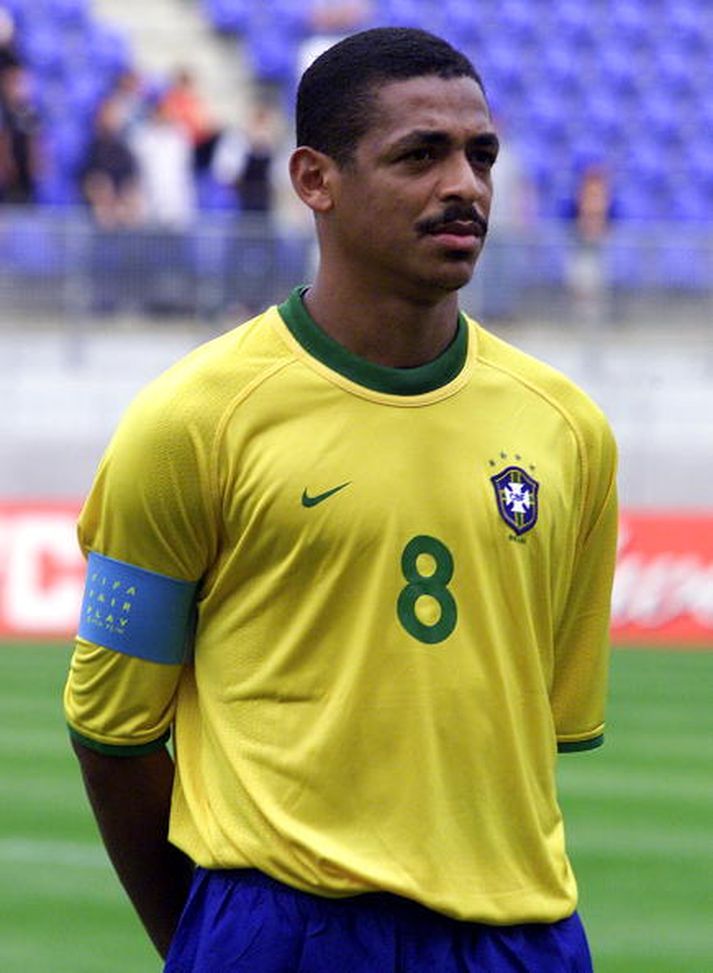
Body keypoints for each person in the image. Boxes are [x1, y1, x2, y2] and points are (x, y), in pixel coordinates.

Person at [64, 27, 618, 973]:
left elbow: (549, 728)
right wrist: (208, 944)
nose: (466, 186)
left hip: (520, 938)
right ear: (314, 180)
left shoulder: (568, 431)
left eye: (479, 154)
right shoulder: (189, 423)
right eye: (420, 155)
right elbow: (110, 732)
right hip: (279, 929)